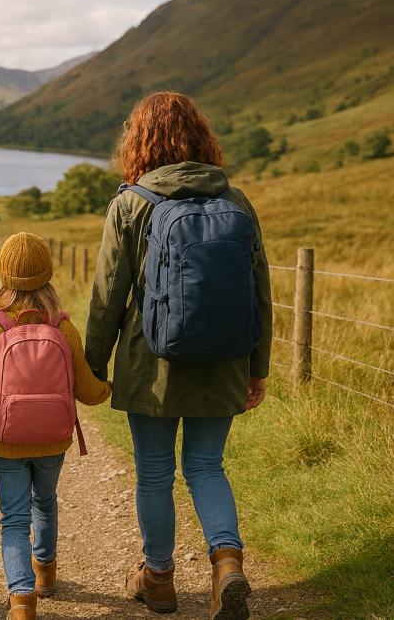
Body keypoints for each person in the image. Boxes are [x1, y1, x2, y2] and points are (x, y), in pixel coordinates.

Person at [84, 91, 272, 620]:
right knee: (207, 466)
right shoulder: (236, 201)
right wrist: (258, 368)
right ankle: (227, 566)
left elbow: (106, 296)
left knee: (154, 472)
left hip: (152, 363)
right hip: (228, 358)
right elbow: (261, 292)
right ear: (200, 137)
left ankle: (159, 580)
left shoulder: (132, 204)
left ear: (140, 141)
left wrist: (91, 368)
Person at [0, 233, 111, 620]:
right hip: (54, 439)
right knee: (45, 503)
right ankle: (46, 573)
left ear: (3, 277)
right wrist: (107, 391)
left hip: (6, 441)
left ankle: (21, 599)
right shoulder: (63, 328)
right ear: (48, 276)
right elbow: (86, 389)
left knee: (14, 518)